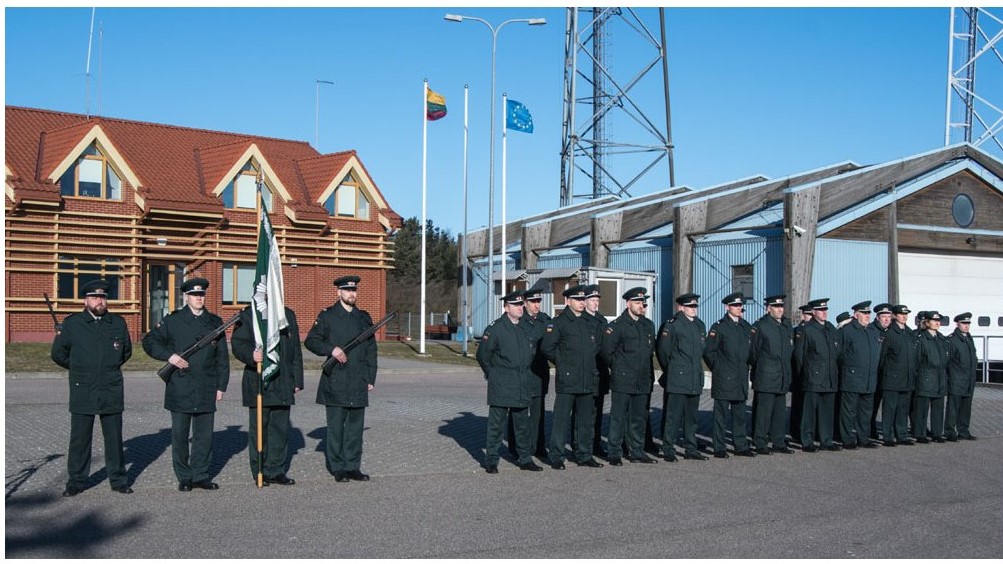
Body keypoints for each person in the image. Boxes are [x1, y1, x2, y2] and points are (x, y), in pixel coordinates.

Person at [142, 277, 230, 492]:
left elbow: (222, 357)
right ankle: (184, 476)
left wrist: (221, 386)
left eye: (201, 294)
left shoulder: (214, 322)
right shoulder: (173, 320)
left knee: (204, 436)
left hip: (206, 385)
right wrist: (169, 356)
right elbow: (149, 341)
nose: (199, 298)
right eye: (194, 295)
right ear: (186, 297)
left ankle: (201, 475)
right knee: (180, 435)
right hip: (180, 385)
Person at [51, 279, 134, 496]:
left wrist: (106, 368)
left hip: (110, 387)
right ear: (85, 300)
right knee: (80, 438)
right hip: (83, 387)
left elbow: (125, 352)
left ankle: (118, 480)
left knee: (114, 437)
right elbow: (58, 354)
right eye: (95, 297)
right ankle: (76, 481)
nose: (100, 301)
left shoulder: (117, 323)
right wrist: (81, 368)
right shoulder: (73, 324)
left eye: (103, 297)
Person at [305, 275, 378, 483]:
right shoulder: (327, 316)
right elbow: (311, 341)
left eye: (354, 290)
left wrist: (370, 376)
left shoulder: (363, 318)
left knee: (355, 429)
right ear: (339, 292)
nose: (351, 294)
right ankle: (337, 468)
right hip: (336, 380)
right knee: (336, 429)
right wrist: (332, 349)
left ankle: (353, 466)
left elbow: (371, 349)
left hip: (358, 380)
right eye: (347, 290)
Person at [230, 298, 304, 486]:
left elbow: (295, 349)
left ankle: (277, 470)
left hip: (283, 379)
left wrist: (297, 379)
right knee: (259, 431)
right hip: (259, 380)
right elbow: (238, 344)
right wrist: (251, 355)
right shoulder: (250, 314)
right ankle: (260, 470)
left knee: (280, 430)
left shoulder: (288, 315)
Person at [476, 291, 544, 473]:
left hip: (522, 382)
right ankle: (491, 461)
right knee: (496, 426)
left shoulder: (526, 327)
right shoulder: (496, 328)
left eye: (521, 304)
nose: (520, 308)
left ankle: (525, 459)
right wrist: (493, 374)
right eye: (515, 305)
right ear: (506, 308)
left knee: (522, 425)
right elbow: (483, 355)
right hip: (502, 383)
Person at [541, 285, 604, 470]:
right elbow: (547, 348)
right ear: (568, 301)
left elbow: (596, 346)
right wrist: (563, 363)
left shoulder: (589, 322)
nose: (582, 303)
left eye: (583, 299)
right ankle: (556, 456)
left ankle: (584, 454)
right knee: (561, 420)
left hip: (587, 377)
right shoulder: (559, 322)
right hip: (568, 379)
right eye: (578, 299)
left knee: (585, 420)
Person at [600, 287, 658, 465]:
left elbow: (650, 351)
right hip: (623, 378)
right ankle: (614, 452)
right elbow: (606, 352)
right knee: (618, 417)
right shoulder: (617, 326)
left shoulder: (648, 325)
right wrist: (619, 367)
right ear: (628, 304)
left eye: (643, 303)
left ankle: (637, 450)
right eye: (638, 303)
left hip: (642, 378)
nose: (641, 306)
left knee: (638, 417)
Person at [656, 292, 708, 462]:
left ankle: (691, 448)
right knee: (673, 416)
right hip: (678, 377)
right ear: (681, 307)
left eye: (695, 306)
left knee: (691, 417)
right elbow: (663, 352)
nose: (693, 309)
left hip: (694, 377)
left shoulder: (699, 325)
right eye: (690, 306)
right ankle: (668, 448)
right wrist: (672, 370)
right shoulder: (673, 325)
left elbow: (701, 351)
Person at [704, 292, 755, 458]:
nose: (739, 308)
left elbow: (751, 350)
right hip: (724, 377)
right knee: (721, 415)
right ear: (727, 307)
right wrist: (718, 368)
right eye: (735, 305)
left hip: (740, 377)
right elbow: (709, 352)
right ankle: (719, 447)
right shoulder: (719, 327)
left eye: (740, 305)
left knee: (740, 414)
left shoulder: (745, 326)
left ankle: (741, 445)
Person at [793, 298, 841, 452]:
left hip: (829, 376)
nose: (824, 313)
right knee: (809, 412)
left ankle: (826, 440)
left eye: (825, 310)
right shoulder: (807, 330)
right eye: (821, 310)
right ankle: (807, 441)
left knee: (827, 411)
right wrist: (805, 374)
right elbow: (799, 356)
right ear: (813, 312)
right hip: (813, 377)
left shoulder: (830, 328)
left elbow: (836, 352)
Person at [750, 294, 795, 455]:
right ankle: (760, 442)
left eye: (781, 306)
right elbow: (753, 353)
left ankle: (778, 441)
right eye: (776, 307)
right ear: (768, 309)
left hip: (782, 375)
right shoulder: (762, 326)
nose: (780, 310)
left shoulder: (786, 326)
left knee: (779, 412)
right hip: (766, 376)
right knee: (764, 412)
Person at [837, 301, 881, 449]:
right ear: (856, 315)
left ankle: (863, 438)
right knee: (849, 411)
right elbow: (839, 354)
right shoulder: (847, 331)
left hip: (869, 379)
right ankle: (848, 439)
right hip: (852, 378)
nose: (867, 316)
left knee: (865, 412)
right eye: (864, 313)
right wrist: (849, 368)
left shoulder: (872, 331)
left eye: (869, 313)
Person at [514, 287, 552, 460]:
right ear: (525, 303)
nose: (536, 305)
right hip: (523, 373)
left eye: (538, 301)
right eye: (533, 302)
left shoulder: (545, 320)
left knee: (538, 413)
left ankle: (538, 447)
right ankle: (516, 447)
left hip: (539, 373)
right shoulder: (519, 321)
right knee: (519, 413)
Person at [878, 304, 919, 446]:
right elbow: (882, 357)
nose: (904, 317)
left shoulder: (909, 333)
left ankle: (901, 435)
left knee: (903, 409)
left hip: (907, 378)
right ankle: (888, 436)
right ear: (895, 316)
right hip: (892, 379)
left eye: (906, 314)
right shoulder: (889, 333)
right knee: (890, 409)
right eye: (901, 314)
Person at [913, 311, 949, 443]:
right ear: (927, 323)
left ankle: (937, 433)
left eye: (938, 321)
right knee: (922, 409)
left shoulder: (941, 339)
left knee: (938, 408)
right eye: (934, 321)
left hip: (940, 378)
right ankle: (920, 434)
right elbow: (916, 361)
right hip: (926, 377)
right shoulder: (922, 339)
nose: (937, 323)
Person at [584, 284, 610, 458]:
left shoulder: (602, 321)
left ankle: (595, 444)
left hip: (600, 372)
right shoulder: (582, 320)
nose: (596, 303)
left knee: (597, 412)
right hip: (586, 372)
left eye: (597, 300)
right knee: (583, 412)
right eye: (592, 300)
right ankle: (581, 444)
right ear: (585, 301)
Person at [945, 312, 978, 441]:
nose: (966, 326)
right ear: (957, 324)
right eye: (964, 323)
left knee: (966, 408)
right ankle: (949, 431)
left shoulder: (969, 338)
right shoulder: (952, 340)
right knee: (953, 408)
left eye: (968, 323)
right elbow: (948, 361)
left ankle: (963, 430)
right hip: (956, 379)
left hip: (969, 379)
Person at [788, 303, 814, 444]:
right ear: (803, 316)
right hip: (799, 374)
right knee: (798, 404)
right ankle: (796, 431)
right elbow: (797, 355)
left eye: (812, 314)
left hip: (811, 374)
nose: (811, 317)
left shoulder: (814, 330)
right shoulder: (799, 331)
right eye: (808, 314)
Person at [868, 303, 893, 441]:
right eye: (884, 316)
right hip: (875, 373)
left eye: (889, 316)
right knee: (872, 405)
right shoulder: (872, 330)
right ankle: (870, 429)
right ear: (877, 317)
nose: (887, 319)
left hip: (887, 375)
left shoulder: (891, 331)